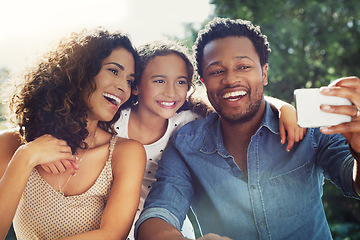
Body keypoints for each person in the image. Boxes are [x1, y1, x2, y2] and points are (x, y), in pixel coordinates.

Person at [39, 38, 305, 240]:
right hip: (107, 224)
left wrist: (284, 108)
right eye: (158, 80)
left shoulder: (190, 123)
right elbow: (69, 115)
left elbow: (238, 102)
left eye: (181, 82)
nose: (171, 92)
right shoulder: (114, 119)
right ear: (136, 85)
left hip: (166, 227)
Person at [134, 17, 360, 240]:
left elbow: (353, 182)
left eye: (243, 66)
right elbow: (158, 215)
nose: (231, 80)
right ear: (203, 81)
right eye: (216, 72)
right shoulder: (185, 144)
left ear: (264, 73)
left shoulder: (310, 130)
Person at [0, 28, 146, 240]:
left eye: (130, 81)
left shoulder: (125, 153)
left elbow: (112, 235)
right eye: (114, 71)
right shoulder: (11, 145)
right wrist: (26, 157)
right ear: (80, 71)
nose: (123, 87)